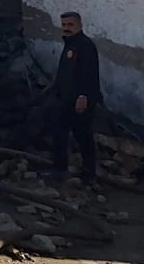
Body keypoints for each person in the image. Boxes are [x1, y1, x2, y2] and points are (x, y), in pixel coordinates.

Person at [51, 12, 101, 183]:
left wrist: (83, 96)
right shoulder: (70, 44)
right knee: (59, 134)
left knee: (84, 136)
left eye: (70, 25)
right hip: (65, 99)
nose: (66, 28)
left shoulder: (85, 46)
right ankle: (59, 170)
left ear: (79, 25)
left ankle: (89, 174)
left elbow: (89, 74)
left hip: (80, 101)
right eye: (64, 24)